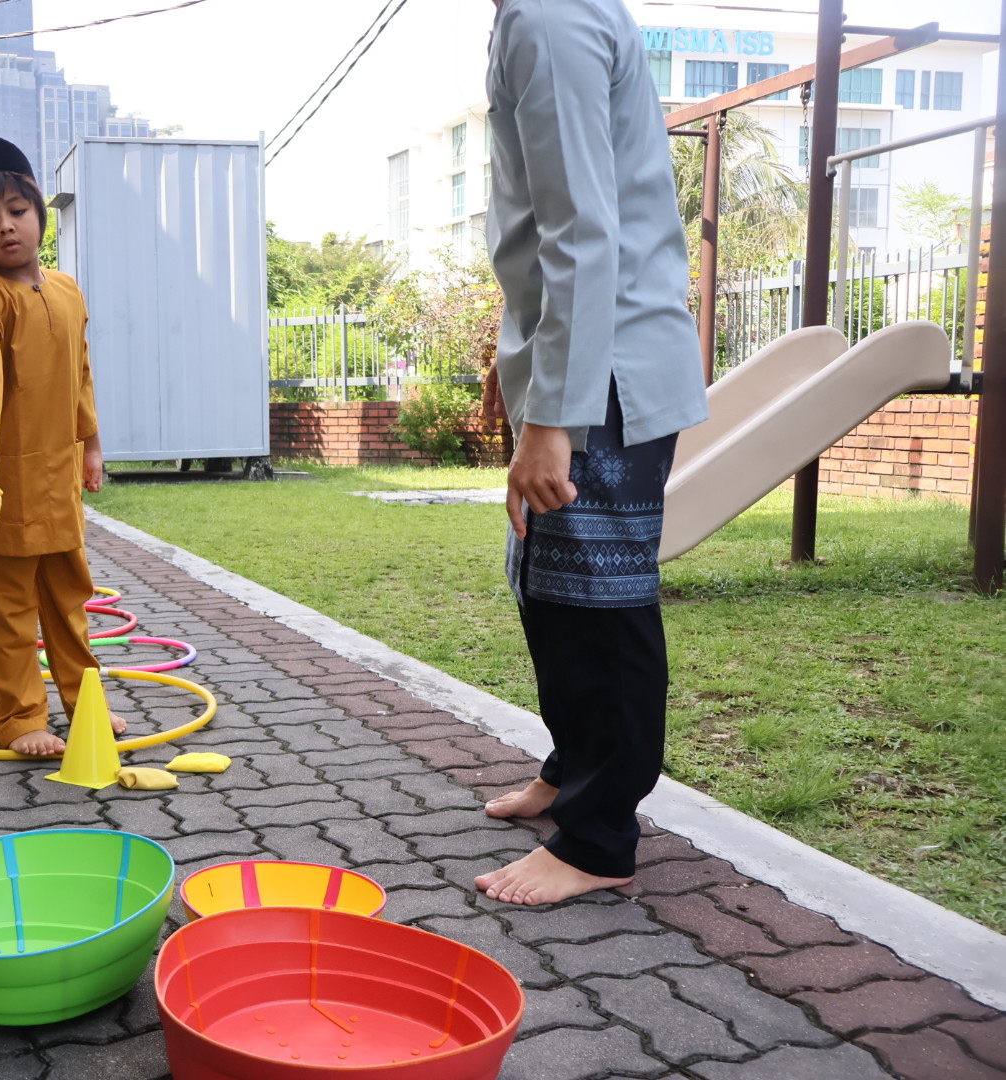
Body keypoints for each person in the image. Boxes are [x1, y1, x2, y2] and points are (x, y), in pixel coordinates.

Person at [472, 0, 709, 907]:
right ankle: (574, 770)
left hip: (606, 374)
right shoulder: (538, 14)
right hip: (582, 365)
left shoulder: (549, 15)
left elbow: (581, 228)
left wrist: (553, 417)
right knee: (547, 585)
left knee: (599, 606)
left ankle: (600, 837)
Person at [0, 135, 116, 758]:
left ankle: (85, 703)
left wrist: (91, 444)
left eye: (16, 211)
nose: (5, 227)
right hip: (4, 479)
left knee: (69, 599)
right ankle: (18, 718)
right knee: (10, 605)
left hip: (58, 475)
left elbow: (80, 373)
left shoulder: (67, 289)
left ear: (39, 213)